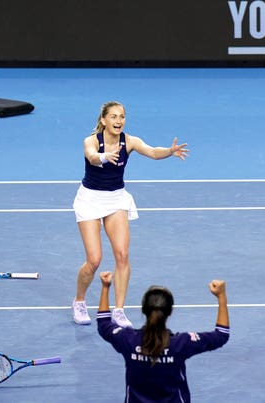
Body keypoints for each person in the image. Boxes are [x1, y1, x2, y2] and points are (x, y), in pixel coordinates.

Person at [72, 101, 189, 327]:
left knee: (123, 255)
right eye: (114, 117)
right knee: (94, 260)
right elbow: (92, 156)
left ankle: (118, 310)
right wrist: (105, 157)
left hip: (116, 199)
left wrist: (170, 151)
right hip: (90, 200)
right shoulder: (91, 140)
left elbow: (154, 152)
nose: (118, 121)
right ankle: (79, 301)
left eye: (122, 117)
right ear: (103, 120)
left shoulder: (130, 141)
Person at [97, 271, 230, 402]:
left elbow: (104, 324)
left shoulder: (128, 340)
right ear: (170, 312)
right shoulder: (181, 344)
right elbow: (221, 335)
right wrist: (221, 297)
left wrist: (105, 287)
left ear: (143, 310)